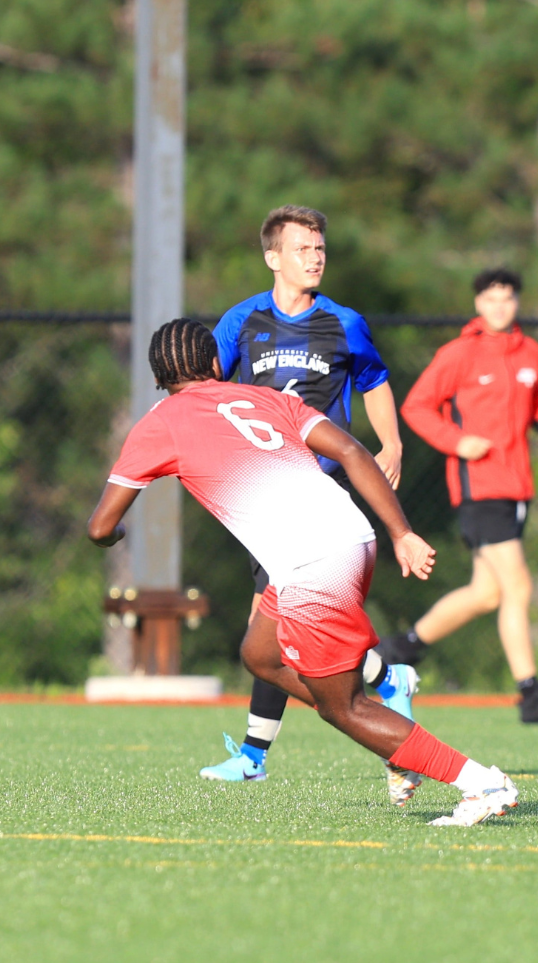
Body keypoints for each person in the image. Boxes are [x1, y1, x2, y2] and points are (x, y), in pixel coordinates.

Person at [90, 319, 519, 825]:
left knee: (344, 709)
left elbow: (100, 527)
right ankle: (389, 699)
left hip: (314, 564)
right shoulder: (268, 398)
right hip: (352, 537)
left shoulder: (160, 422)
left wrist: (116, 538)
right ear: (212, 364)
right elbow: (353, 452)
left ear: (159, 379)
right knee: (261, 654)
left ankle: (482, 783)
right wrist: (401, 532)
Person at [199, 205, 415, 784]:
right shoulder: (241, 320)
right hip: (259, 493)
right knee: (269, 627)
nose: (315, 258)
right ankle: (383, 678)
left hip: (318, 491)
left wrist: (390, 443)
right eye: (302, 249)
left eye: (319, 248)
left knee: (273, 625)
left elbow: (373, 380)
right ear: (273, 258)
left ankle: (254, 756)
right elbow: (205, 387)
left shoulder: (344, 322)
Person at [384, 268, 538, 723]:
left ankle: (402, 648)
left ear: (516, 303)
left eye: (507, 298)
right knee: (519, 586)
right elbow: (416, 406)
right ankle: (531, 695)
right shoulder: (459, 354)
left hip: (518, 488)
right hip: (481, 488)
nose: (499, 306)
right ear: (478, 303)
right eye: (491, 298)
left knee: (485, 594)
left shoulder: (530, 352)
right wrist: (457, 442)